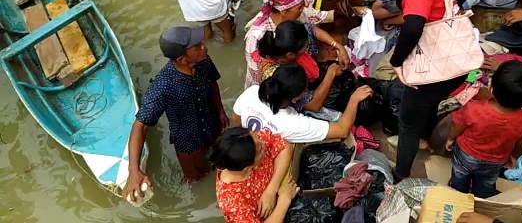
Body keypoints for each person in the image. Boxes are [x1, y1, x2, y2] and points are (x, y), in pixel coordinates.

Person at [390, 0, 469, 181]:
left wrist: (397, 60)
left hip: (430, 68)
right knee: (431, 102)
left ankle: (401, 175)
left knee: (407, 123)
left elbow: (413, 26)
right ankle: (426, 135)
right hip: (453, 64)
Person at [121, 26, 229, 200]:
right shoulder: (163, 86)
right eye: (197, 46)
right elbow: (140, 126)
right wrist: (134, 170)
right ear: (181, 59)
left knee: (219, 160)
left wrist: (221, 111)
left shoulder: (203, 60)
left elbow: (212, 83)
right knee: (196, 179)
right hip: (188, 143)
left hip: (212, 124)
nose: (204, 47)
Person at [446, 61, 522, 198]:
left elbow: (457, 125)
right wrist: (514, 156)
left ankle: (458, 192)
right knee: (486, 182)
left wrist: (450, 139)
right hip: (496, 160)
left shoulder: (473, 108)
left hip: (466, 154)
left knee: (460, 174)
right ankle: (481, 197)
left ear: (491, 88)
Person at [244, 0, 349, 88]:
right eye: (299, 7)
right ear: (283, 11)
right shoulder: (257, 37)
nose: (303, 8)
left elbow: (312, 27)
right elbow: (266, 80)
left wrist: (338, 46)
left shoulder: (297, 13)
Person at [233, 63, 374, 142]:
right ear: (295, 99)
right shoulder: (292, 123)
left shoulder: (251, 92)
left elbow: (237, 119)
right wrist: (354, 99)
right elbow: (342, 130)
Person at [214, 127, 296, 223]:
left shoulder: (250, 141)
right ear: (248, 167)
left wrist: (271, 190)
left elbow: (285, 146)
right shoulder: (233, 202)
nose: (263, 142)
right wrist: (284, 200)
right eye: (260, 149)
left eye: (256, 135)